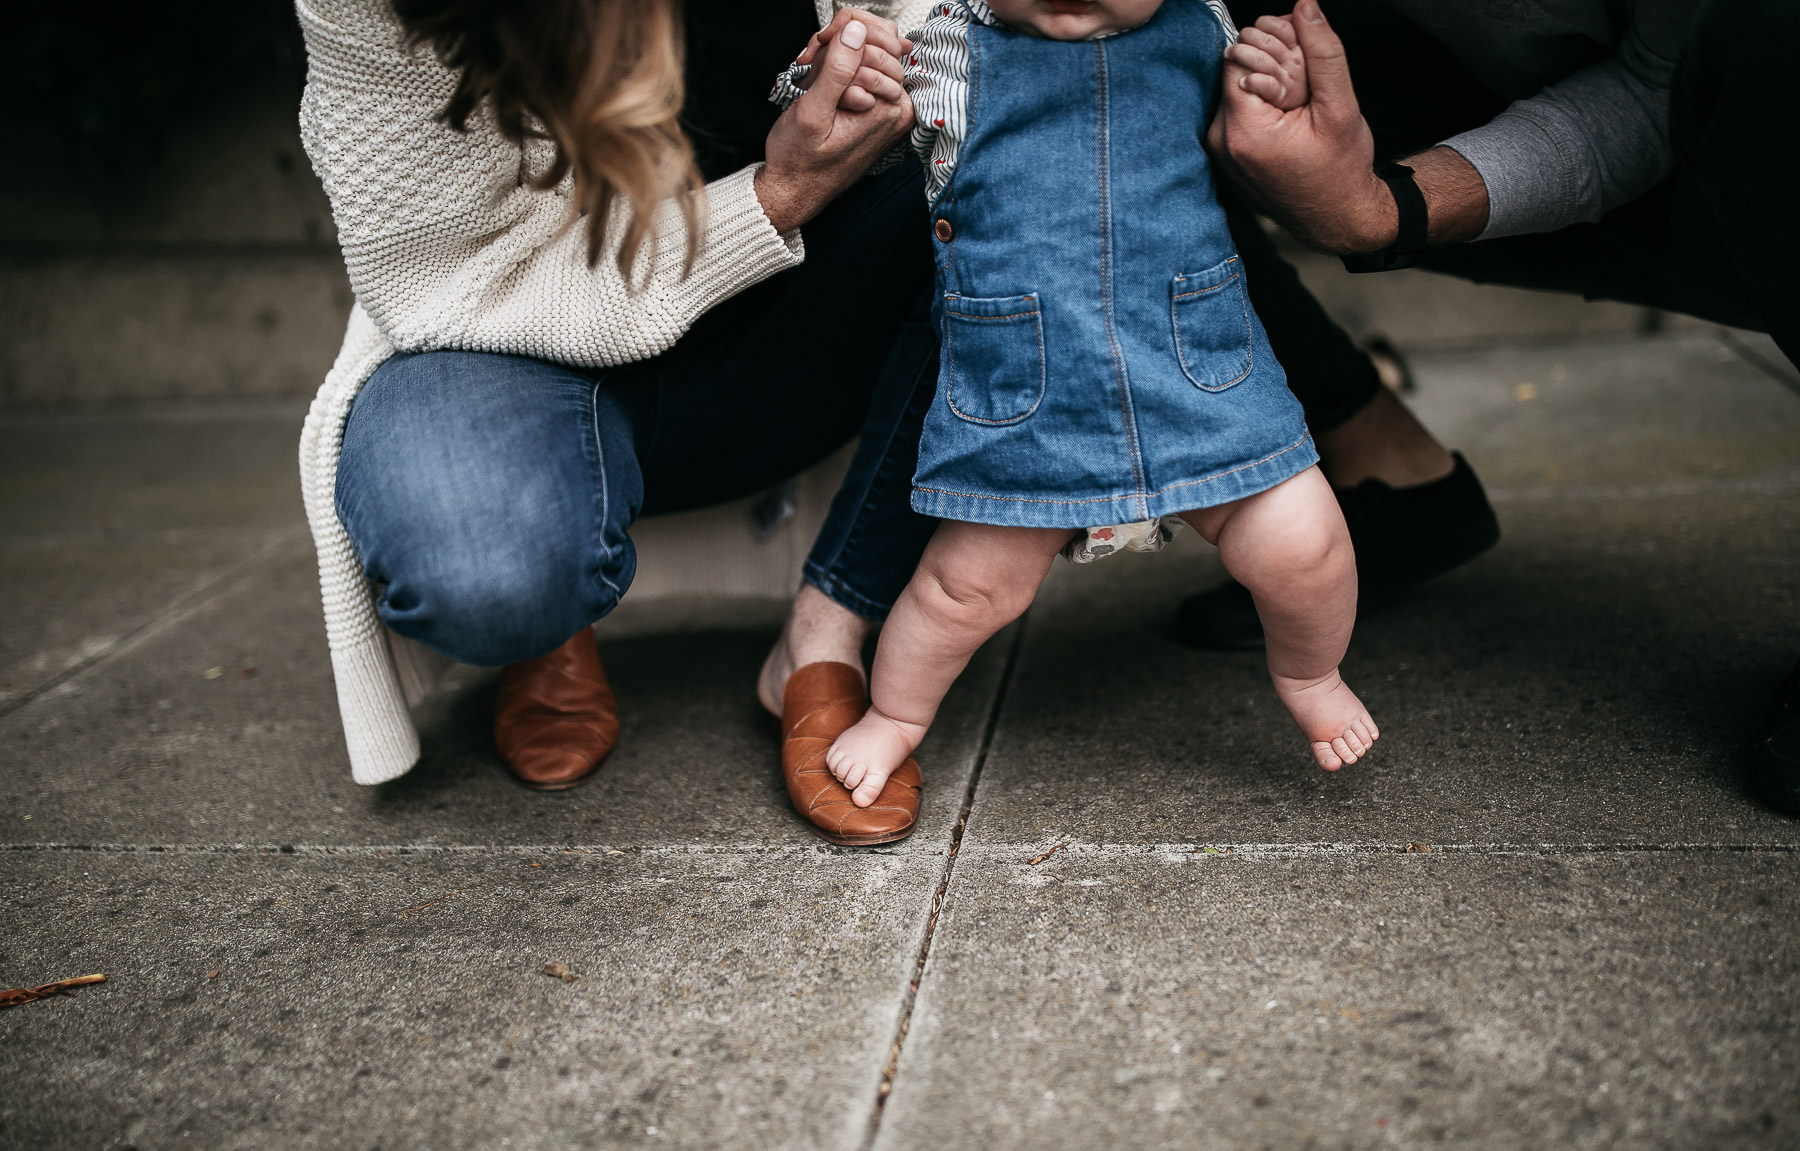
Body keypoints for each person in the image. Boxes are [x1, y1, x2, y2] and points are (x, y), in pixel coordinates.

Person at [294, 0, 950, 844]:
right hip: (505, 330)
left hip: (802, 320)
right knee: (488, 571)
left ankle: (826, 632)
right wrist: (777, 194)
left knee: (1009, 186)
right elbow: (447, 279)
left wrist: (888, 82)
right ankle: (552, 616)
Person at [1191, 0, 1799, 812]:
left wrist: (1386, 206)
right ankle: (1386, 469)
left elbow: (1663, 79)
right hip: (1474, 119)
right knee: (1116, 51)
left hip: (1735, 148)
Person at [777, 0, 1379, 808]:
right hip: (1026, 394)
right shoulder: (944, 43)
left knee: (1307, 546)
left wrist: (1281, 88)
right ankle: (896, 716)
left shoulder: (1206, 28)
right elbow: (840, 131)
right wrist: (831, 81)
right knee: (958, 593)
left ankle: (1311, 675)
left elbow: (1263, 141)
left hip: (1197, 378)